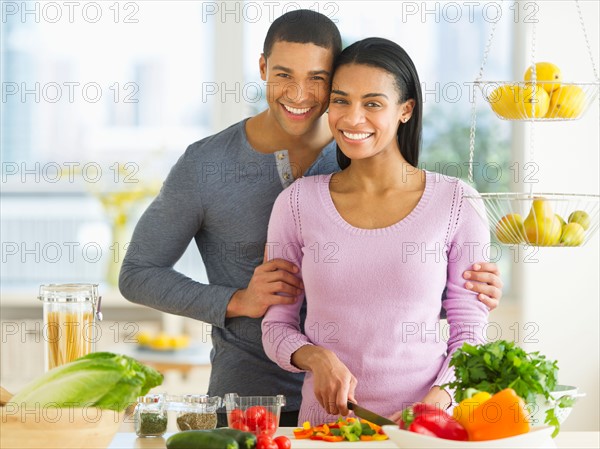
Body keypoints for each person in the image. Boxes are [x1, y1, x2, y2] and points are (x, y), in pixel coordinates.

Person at [119, 11, 502, 427]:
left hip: (374, 405)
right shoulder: (208, 165)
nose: (299, 93)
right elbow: (138, 272)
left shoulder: (367, 149)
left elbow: (405, 292)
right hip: (250, 395)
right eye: (284, 74)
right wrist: (237, 300)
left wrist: (462, 291)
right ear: (263, 67)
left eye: (318, 79)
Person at [261, 37, 491, 426]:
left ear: (405, 110)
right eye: (340, 100)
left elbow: (469, 331)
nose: (352, 119)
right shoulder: (297, 204)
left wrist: (438, 402)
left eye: (372, 103)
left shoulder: (456, 202)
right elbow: (276, 327)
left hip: (424, 430)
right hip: (325, 431)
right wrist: (315, 357)